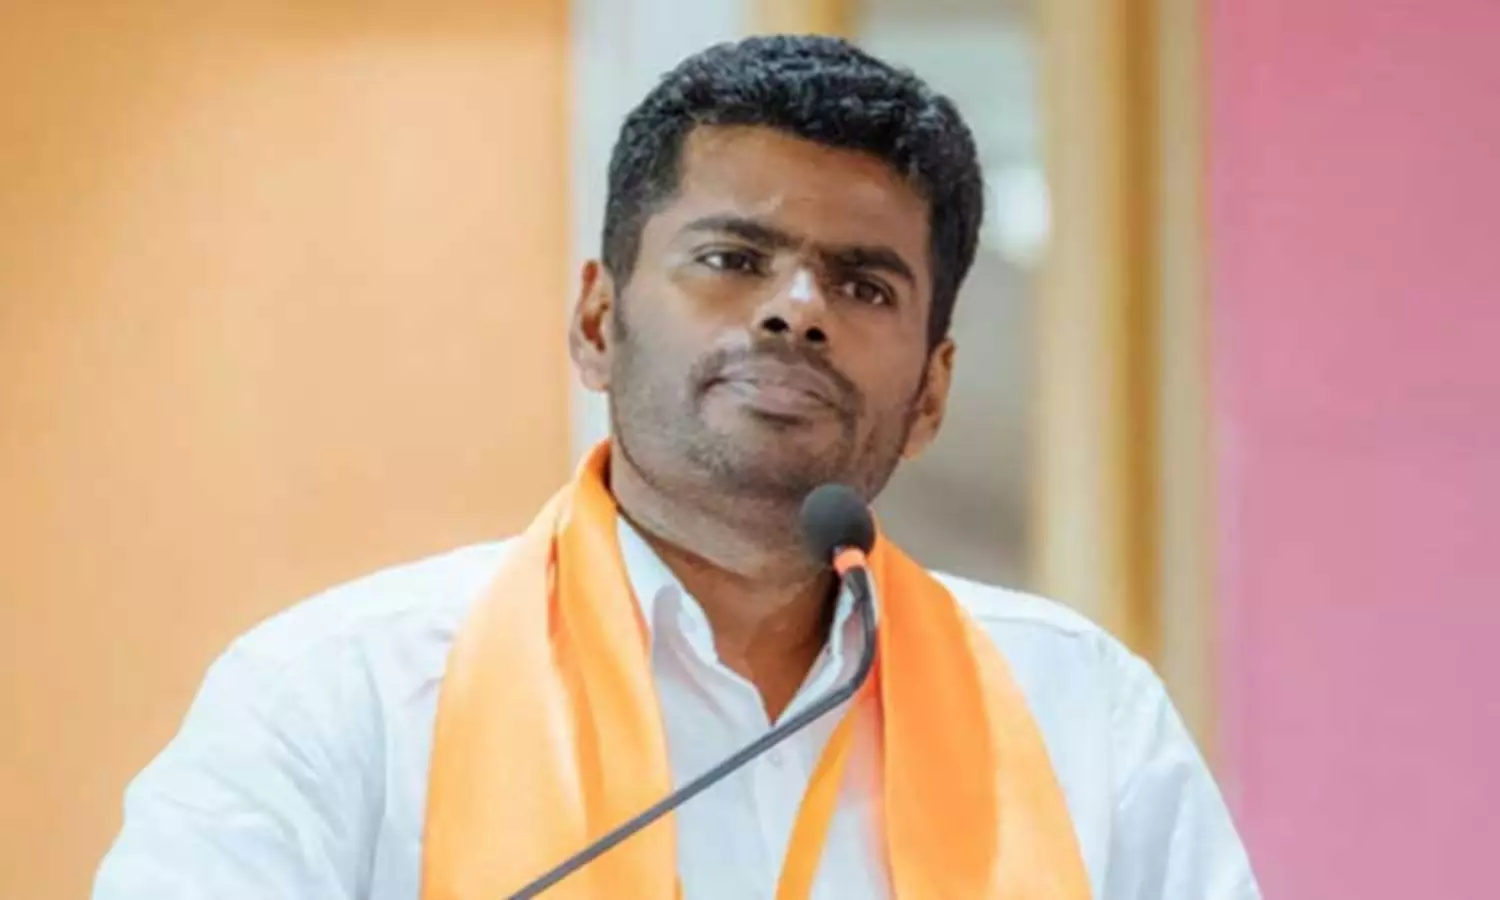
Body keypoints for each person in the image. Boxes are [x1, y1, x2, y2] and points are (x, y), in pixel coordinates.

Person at [94, 35, 1260, 900]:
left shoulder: (1081, 715)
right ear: (598, 323)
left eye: (863, 285)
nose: (797, 310)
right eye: (732, 258)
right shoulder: (340, 696)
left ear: (932, 394)